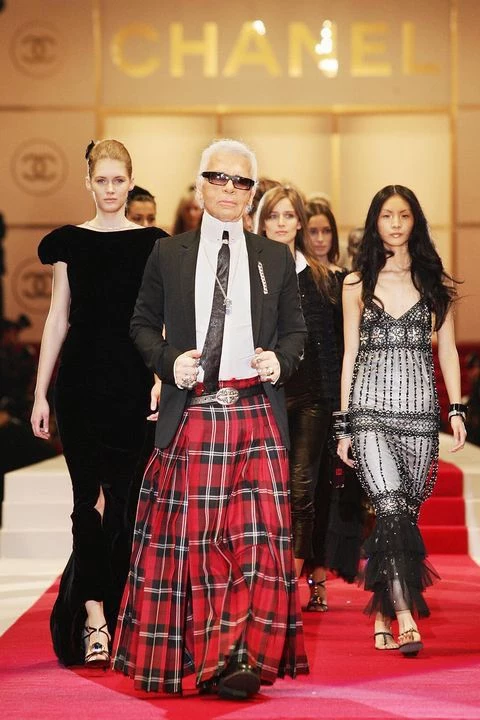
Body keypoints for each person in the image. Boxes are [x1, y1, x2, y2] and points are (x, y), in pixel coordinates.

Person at [112, 138, 309, 699]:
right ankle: (214, 657)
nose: (229, 189)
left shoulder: (275, 257)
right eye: (218, 178)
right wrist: (168, 361)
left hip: (256, 411)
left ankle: (241, 656)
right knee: (201, 546)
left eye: (241, 182)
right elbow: (141, 324)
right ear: (200, 185)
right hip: (196, 410)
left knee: (257, 541)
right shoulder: (167, 253)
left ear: (252, 193)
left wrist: (282, 360)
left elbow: (296, 330)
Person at [30, 139, 168, 668]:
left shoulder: (152, 244)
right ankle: (94, 618)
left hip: (133, 387)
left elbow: (158, 322)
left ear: (130, 182)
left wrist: (159, 377)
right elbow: (57, 319)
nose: (110, 189)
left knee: (126, 506)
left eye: (118, 180)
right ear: (88, 182)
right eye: (101, 180)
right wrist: (40, 393)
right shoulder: (69, 243)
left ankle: (114, 605)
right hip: (80, 386)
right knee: (87, 501)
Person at [337, 184, 466, 655]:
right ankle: (407, 615)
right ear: (375, 221)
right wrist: (344, 423)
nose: (395, 223)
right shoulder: (356, 283)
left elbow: (448, 351)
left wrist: (456, 409)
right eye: (387, 215)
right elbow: (350, 354)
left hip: (419, 415)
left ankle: (381, 618)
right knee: (389, 507)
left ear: (416, 221)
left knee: (401, 517)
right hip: (370, 412)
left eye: (404, 215)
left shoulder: (433, 283)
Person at [256, 191, 347, 612]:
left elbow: (332, 344)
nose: (281, 222)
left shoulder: (321, 277)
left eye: (288, 215)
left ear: (299, 223)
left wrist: (337, 406)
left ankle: (289, 586)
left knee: (302, 490)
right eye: (273, 215)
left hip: (313, 398)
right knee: (264, 492)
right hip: (263, 395)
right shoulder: (249, 273)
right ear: (262, 222)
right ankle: (268, 578)